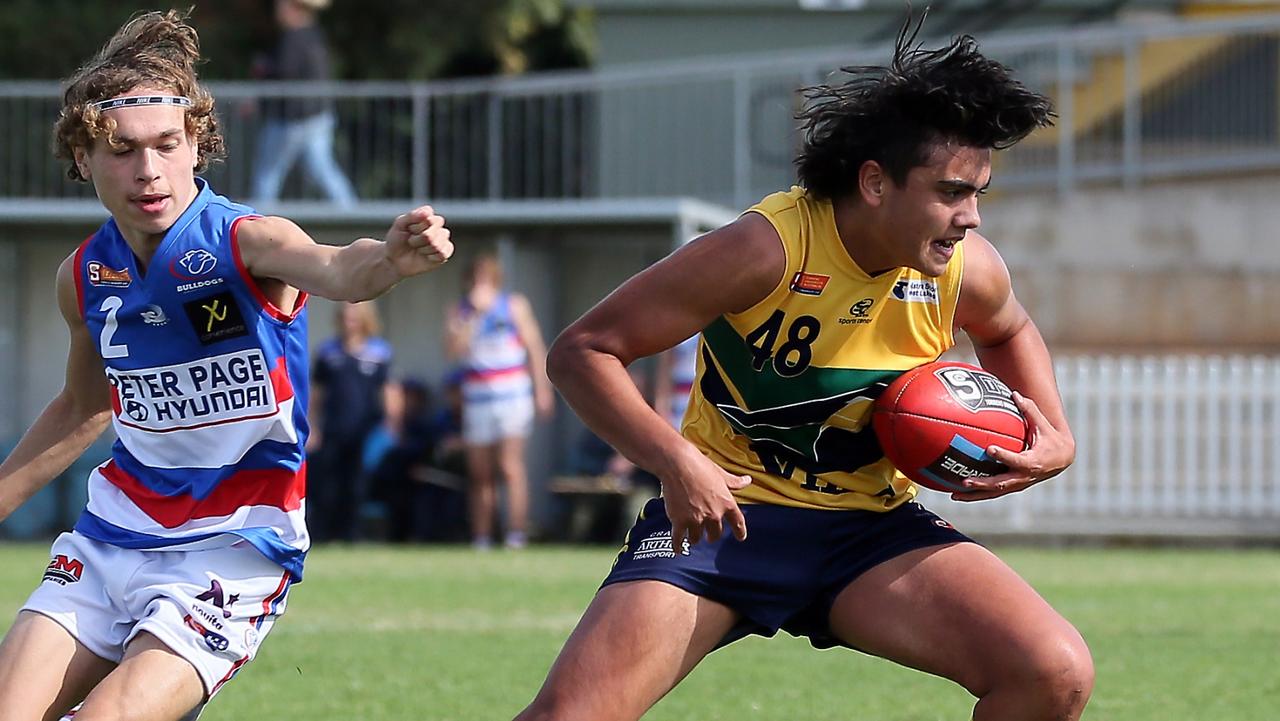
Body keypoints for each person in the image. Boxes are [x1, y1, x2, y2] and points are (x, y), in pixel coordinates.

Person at [515, 23, 1093, 721]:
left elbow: (1010, 328)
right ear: (875, 182)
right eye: (949, 193)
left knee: (1053, 672)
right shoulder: (764, 249)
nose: (969, 218)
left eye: (978, 194)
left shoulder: (965, 266)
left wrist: (1052, 431)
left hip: (870, 532)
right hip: (726, 520)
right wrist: (676, 462)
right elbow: (583, 351)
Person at [0, 10, 452, 721]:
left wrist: (390, 259)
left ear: (195, 146)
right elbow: (83, 406)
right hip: (113, 532)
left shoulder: (247, 241)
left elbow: (337, 267)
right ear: (83, 157)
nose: (147, 170)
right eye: (120, 150)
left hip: (233, 548)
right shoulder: (84, 275)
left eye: (165, 145)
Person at [445, 253, 553, 550]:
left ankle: (516, 534)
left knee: (510, 467)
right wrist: (474, 317)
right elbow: (453, 352)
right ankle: (482, 536)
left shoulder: (514, 305)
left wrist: (542, 389)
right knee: (480, 473)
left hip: (512, 396)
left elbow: (534, 347)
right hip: (477, 399)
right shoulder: (460, 311)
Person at [249, 0, 357, 205]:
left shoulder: (293, 39)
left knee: (268, 174)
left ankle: (256, 222)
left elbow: (283, 74)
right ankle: (352, 213)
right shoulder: (314, 37)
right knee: (324, 170)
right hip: (317, 116)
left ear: (294, 8)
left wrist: (264, 70)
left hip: (292, 119)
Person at [307, 301, 392, 542]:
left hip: (364, 429)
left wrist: (391, 423)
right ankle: (323, 534)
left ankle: (351, 534)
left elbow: (387, 389)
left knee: (357, 484)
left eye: (354, 317)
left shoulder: (379, 352)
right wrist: (312, 425)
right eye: (345, 316)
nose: (349, 322)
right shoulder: (328, 352)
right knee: (327, 483)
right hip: (333, 428)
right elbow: (317, 393)